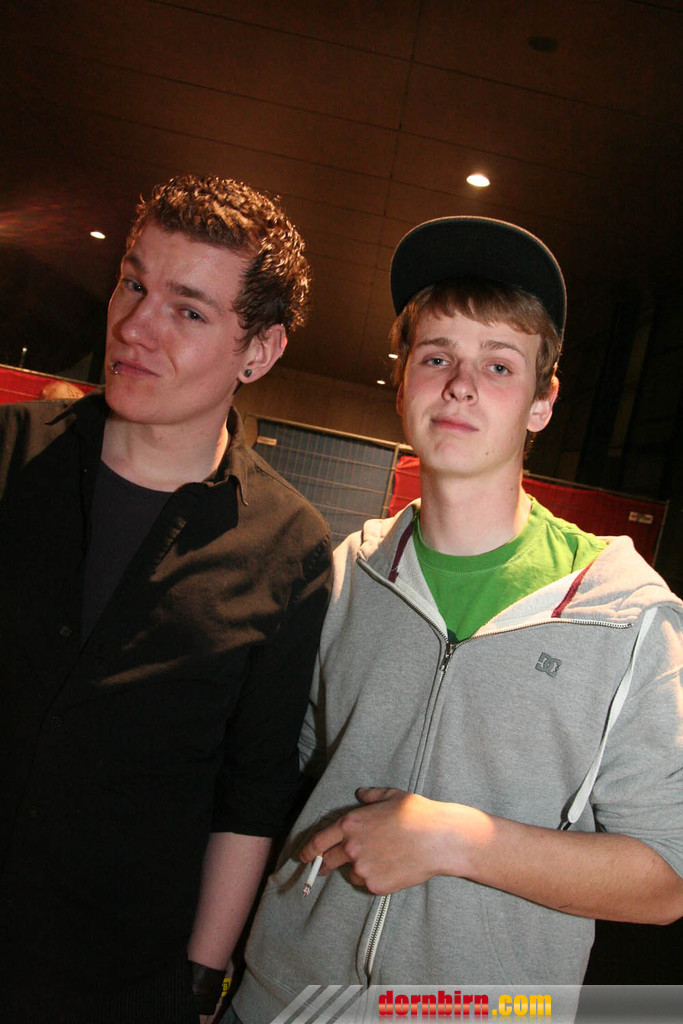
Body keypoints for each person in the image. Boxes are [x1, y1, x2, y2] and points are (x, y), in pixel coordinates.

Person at [233, 217, 683, 1022]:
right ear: (403, 380)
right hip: (286, 1000)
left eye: (498, 365)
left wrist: (454, 840)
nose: (460, 386)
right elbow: (268, 780)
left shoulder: (623, 615)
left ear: (542, 403)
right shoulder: (344, 575)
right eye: (435, 357)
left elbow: (667, 879)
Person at [0, 174, 332, 1024]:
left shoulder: (286, 547)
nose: (134, 326)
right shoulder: (8, 457)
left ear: (259, 352)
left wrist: (199, 981)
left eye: (188, 310)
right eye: (132, 284)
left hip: (114, 981)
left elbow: (251, 790)